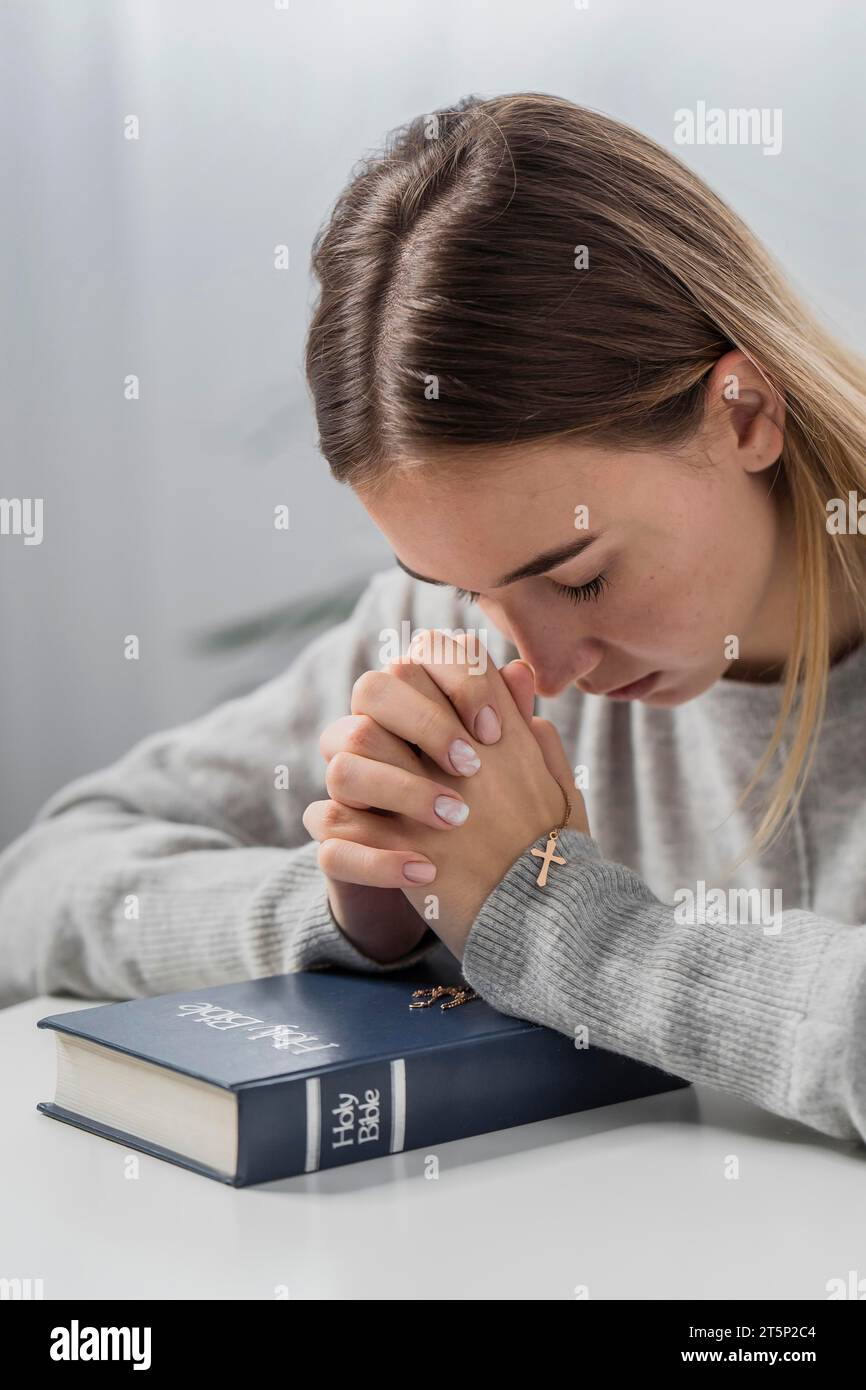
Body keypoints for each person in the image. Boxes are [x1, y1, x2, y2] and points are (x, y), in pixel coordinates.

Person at [2, 94, 866, 1145]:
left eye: (579, 576)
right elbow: (44, 877)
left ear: (743, 414)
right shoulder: (442, 640)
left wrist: (551, 923)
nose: (537, 668)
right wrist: (363, 911)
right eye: (466, 589)